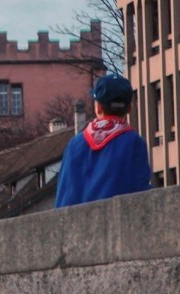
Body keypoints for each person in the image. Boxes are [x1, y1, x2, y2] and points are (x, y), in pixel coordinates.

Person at [55, 73, 151, 208]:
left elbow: (64, 195)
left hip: (76, 224)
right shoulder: (134, 142)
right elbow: (141, 192)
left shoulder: (75, 144)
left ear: (98, 107)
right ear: (129, 108)